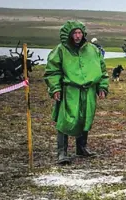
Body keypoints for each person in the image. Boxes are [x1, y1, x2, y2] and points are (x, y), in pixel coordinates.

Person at [44, 20, 109, 165]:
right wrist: (55, 88)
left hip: (89, 90)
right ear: (69, 34)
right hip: (70, 90)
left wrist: (102, 87)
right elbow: (52, 71)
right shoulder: (61, 50)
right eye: (75, 33)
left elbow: (102, 70)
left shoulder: (92, 49)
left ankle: (81, 147)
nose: (78, 36)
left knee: (85, 117)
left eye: (80, 33)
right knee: (66, 119)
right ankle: (62, 152)